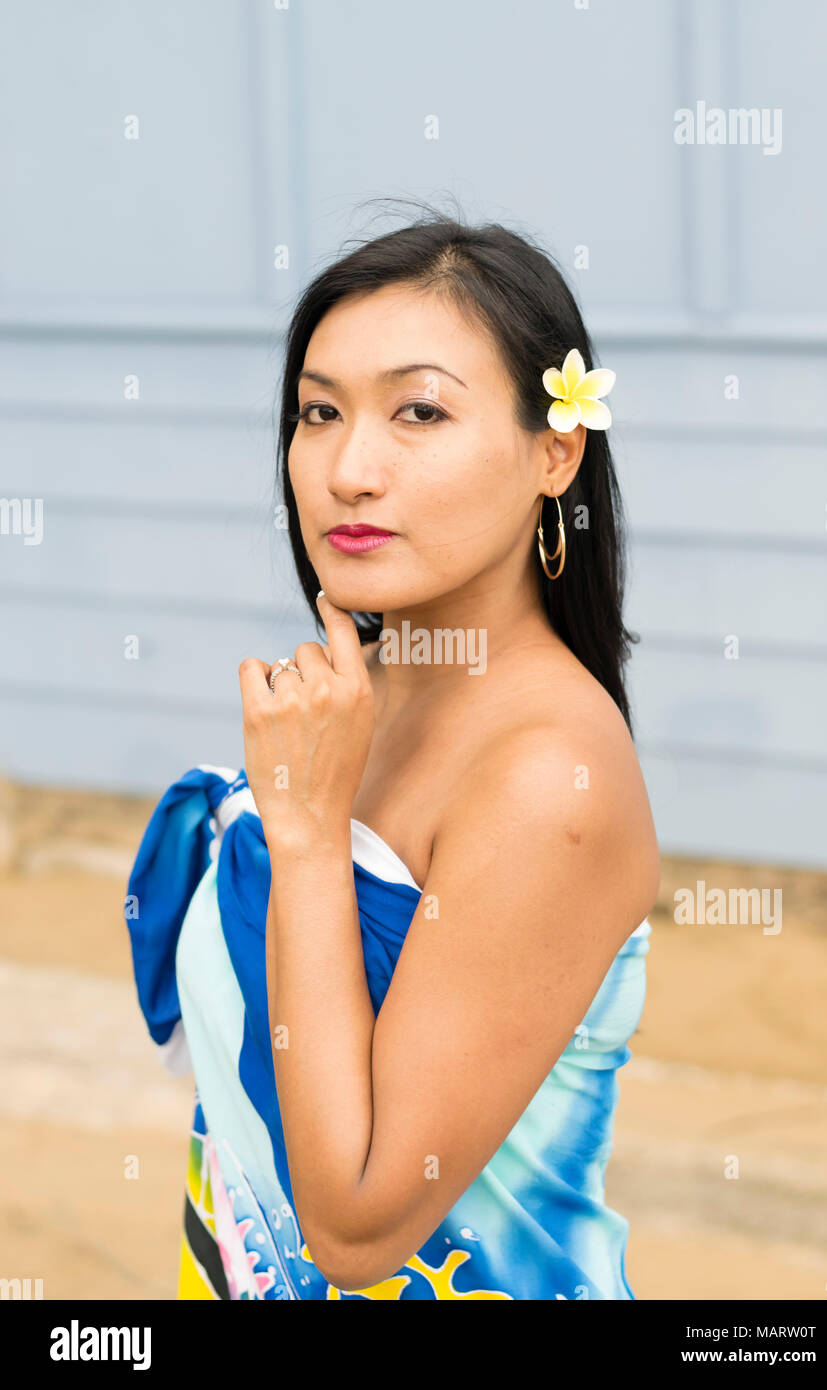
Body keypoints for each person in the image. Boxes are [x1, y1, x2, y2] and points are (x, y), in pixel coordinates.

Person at [125, 204, 660, 1300]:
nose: (347, 468)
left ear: (553, 450)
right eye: (317, 411)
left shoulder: (543, 773)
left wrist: (309, 837)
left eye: (419, 411)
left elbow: (357, 1230)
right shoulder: (359, 699)